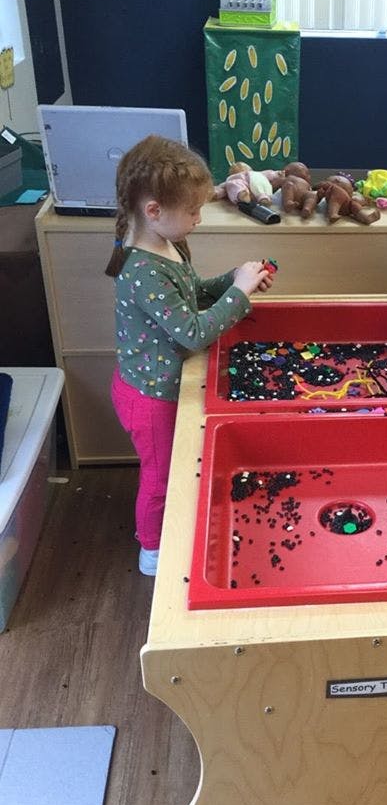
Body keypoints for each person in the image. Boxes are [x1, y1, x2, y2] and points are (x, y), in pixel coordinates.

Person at [105, 135, 273, 577]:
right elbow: (193, 332)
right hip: (150, 398)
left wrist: (234, 279)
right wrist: (239, 294)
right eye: (193, 211)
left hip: (162, 388)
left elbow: (193, 292)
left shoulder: (167, 243)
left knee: (171, 471)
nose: (199, 219)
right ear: (154, 210)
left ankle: (165, 535)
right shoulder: (143, 270)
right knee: (159, 479)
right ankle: (151, 553)